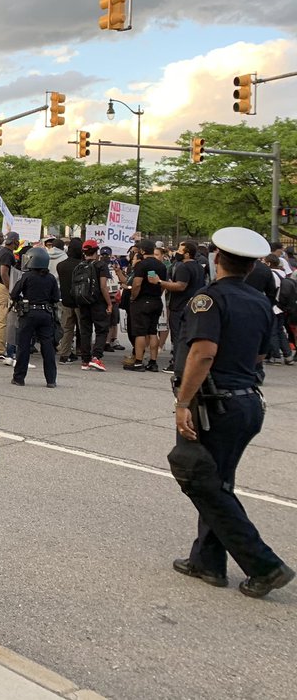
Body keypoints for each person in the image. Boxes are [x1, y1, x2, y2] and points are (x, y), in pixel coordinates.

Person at [170, 226, 294, 599]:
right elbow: (259, 355)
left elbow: (203, 353)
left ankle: (264, 564)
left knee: (201, 480)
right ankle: (207, 562)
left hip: (213, 404)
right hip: (246, 401)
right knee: (215, 481)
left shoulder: (208, 300)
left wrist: (182, 404)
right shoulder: (260, 302)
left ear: (217, 260)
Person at [9, 246, 60, 387]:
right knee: (48, 347)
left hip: (28, 313)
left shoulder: (26, 276)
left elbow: (13, 294)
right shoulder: (50, 278)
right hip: (45, 314)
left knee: (24, 346)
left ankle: (19, 378)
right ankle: (51, 380)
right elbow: (56, 297)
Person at [160, 240, 206, 373]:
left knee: (178, 336)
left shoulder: (184, 267)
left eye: (180, 251)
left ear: (187, 254)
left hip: (180, 307)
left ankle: (176, 363)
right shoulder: (198, 267)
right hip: (193, 306)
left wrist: (160, 282)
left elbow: (180, 286)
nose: (177, 253)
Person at [127, 239, 168, 372]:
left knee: (140, 332)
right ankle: (153, 361)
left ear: (143, 251)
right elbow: (162, 284)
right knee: (152, 331)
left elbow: (137, 283)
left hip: (142, 301)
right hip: (156, 300)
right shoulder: (161, 266)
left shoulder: (141, 265)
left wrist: (133, 297)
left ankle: (138, 361)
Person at [72, 240, 113, 372]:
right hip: (98, 302)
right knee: (102, 329)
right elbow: (103, 286)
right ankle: (96, 357)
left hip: (83, 301)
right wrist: (109, 303)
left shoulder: (79, 266)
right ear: (96, 251)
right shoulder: (101, 265)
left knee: (85, 331)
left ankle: (85, 360)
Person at [0, 232, 19, 360]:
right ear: (14, 241)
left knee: (2, 319)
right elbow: (4, 272)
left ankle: (0, 347)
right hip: (3, 287)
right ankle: (1, 349)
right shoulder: (7, 254)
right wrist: (11, 288)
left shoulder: (1, 252)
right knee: (3, 319)